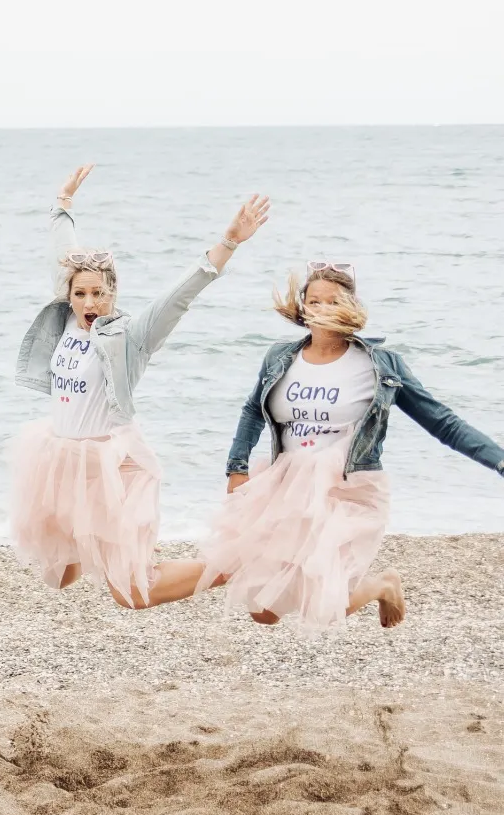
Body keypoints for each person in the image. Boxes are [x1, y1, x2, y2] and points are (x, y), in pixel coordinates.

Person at [9, 164, 269, 608]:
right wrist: (62, 204)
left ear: (112, 292)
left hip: (115, 468)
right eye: (80, 294)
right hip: (62, 462)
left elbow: (180, 295)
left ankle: (237, 564)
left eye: (99, 294)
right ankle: (114, 545)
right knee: (57, 574)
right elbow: (62, 251)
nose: (89, 303)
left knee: (131, 593)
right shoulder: (66, 318)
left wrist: (229, 241)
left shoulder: (130, 335)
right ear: (68, 295)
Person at [198, 261, 504, 631]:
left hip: (349, 489)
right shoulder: (281, 358)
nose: (322, 310)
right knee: (263, 611)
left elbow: (443, 423)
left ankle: (381, 585)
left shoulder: (379, 365)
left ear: (350, 306)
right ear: (302, 307)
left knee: (321, 604)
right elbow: (253, 411)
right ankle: (371, 585)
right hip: (286, 488)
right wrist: (237, 466)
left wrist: (498, 461)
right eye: (314, 301)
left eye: (332, 301)